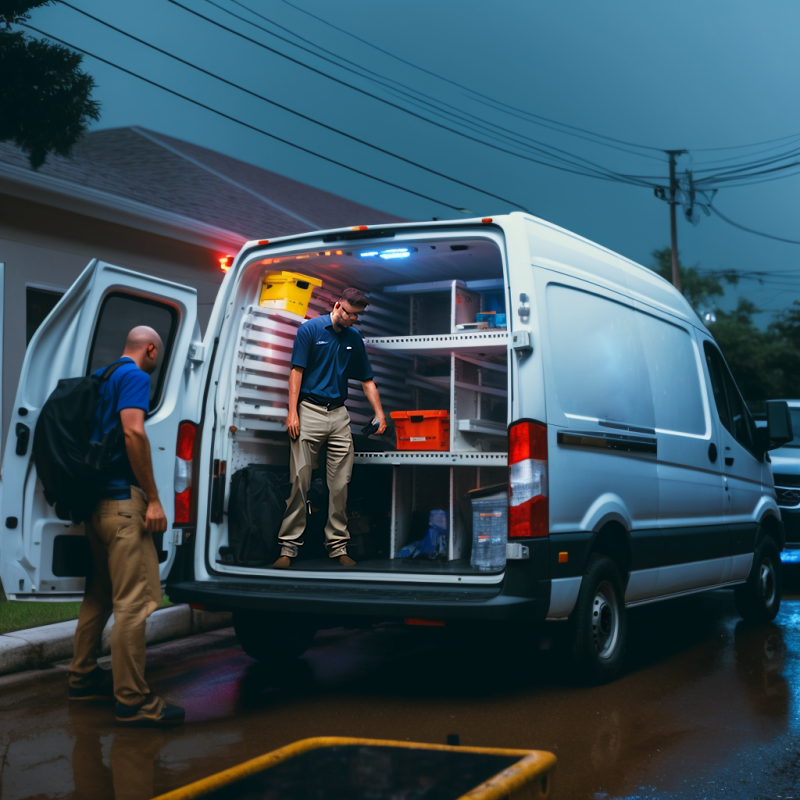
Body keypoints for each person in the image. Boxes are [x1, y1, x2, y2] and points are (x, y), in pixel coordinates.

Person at [67, 326, 185, 727]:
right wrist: (153, 498)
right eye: (158, 354)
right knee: (134, 605)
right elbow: (133, 430)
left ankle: (82, 677)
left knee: (99, 594)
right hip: (122, 506)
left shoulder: (103, 378)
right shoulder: (135, 377)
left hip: (95, 507)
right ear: (150, 349)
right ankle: (133, 701)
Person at [273, 288, 387, 569]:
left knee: (340, 485)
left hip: (338, 414)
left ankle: (337, 547)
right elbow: (296, 372)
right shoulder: (309, 330)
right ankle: (288, 548)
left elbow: (367, 380)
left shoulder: (354, 338)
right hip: (308, 411)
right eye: (350, 314)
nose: (352, 320)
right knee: (300, 481)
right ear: (337, 306)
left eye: (357, 317)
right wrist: (292, 413)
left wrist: (380, 415)